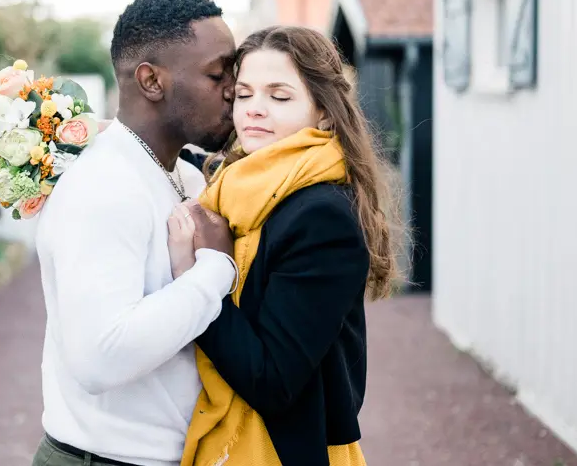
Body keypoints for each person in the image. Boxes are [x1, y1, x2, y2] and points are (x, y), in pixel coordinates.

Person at [168, 26, 406, 466]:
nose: (255, 110)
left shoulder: (321, 216)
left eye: (279, 97)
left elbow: (274, 381)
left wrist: (199, 277)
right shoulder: (242, 183)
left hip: (281, 451)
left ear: (325, 114)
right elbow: (209, 163)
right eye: (244, 94)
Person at [32, 0, 241, 466]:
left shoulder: (182, 175)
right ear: (151, 80)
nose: (234, 87)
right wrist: (215, 269)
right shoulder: (103, 186)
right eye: (217, 73)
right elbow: (99, 357)